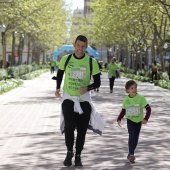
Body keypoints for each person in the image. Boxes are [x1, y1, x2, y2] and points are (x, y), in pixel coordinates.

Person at [55, 35, 103, 167]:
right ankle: (69, 152)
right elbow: (59, 75)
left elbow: (98, 82)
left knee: (82, 130)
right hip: (69, 98)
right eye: (78, 46)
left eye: (83, 46)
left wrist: (88, 87)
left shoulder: (91, 62)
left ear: (86, 47)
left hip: (84, 100)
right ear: (74, 45)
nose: (80, 49)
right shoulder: (66, 59)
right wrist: (57, 88)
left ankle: (78, 155)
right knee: (69, 126)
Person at [117, 80, 151, 163]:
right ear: (127, 90)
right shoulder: (126, 99)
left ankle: (129, 154)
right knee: (131, 135)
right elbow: (123, 110)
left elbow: (148, 109)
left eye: (135, 88)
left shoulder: (140, 98)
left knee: (135, 139)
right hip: (130, 120)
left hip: (138, 121)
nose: (134, 89)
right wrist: (119, 118)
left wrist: (146, 118)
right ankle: (131, 154)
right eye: (132, 88)